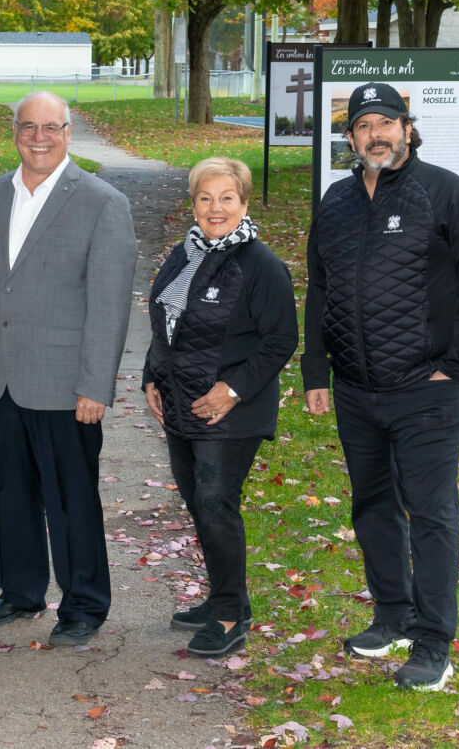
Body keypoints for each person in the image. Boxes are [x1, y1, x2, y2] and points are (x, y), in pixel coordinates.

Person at [302, 82, 459, 692]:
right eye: (363, 126)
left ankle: (435, 643)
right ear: (350, 137)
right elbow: (319, 288)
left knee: (432, 513)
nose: (376, 135)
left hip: (427, 389)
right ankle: (392, 615)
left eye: (387, 122)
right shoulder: (335, 201)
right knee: (372, 506)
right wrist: (317, 372)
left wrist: (456, 362)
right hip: (358, 390)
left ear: (408, 129)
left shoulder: (444, 192)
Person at [0, 91, 137, 647]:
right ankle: (20, 590)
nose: (39, 137)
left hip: (66, 384)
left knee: (70, 496)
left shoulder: (103, 203)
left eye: (50, 127)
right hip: (1, 374)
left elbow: (109, 304)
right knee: (10, 488)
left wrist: (95, 384)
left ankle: (84, 604)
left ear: (68, 132)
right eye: (28, 127)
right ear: (14, 131)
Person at [142, 157, 298, 658]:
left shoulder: (262, 265)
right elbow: (166, 319)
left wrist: (232, 390)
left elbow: (280, 342)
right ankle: (224, 599)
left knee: (216, 505)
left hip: (231, 412)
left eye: (226, 198)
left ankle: (230, 616)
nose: (215, 208)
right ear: (193, 204)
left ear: (244, 203)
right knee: (200, 506)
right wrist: (151, 376)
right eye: (205, 198)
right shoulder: (182, 254)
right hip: (180, 405)